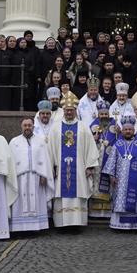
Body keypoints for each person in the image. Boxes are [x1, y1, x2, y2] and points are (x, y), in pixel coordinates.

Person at [47, 91, 100, 229]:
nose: (69, 113)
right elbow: (50, 149)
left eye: (71, 110)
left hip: (80, 169)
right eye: (66, 110)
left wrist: (89, 166)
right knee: (61, 194)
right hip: (60, 168)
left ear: (75, 110)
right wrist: (51, 167)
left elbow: (90, 147)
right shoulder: (55, 127)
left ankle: (77, 223)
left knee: (78, 192)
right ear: (63, 110)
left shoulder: (83, 127)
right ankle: (61, 223)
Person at [103, 112, 137, 231]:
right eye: (126, 129)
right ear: (122, 131)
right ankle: (118, 225)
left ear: (134, 130)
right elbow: (111, 162)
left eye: (130, 129)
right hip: (120, 180)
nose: (128, 131)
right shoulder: (117, 144)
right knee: (120, 199)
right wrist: (112, 176)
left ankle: (136, 226)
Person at [9, 118, 53, 232]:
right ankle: (19, 228)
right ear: (21, 127)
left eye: (29, 125)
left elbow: (45, 159)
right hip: (20, 177)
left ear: (33, 126)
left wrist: (44, 175)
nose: (27, 127)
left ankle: (36, 227)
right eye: (25, 125)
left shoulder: (40, 141)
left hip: (37, 177)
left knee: (36, 201)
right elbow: (10, 160)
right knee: (20, 202)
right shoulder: (14, 142)